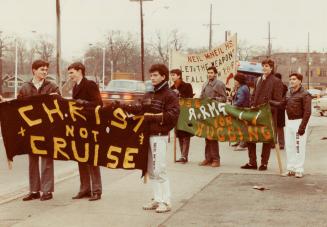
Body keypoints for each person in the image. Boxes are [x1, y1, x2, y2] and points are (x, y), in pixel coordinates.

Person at [119, 64, 179, 213]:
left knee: (160, 170)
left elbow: (173, 116)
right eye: (151, 75)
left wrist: (151, 117)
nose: (152, 78)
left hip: (159, 136)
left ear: (163, 76)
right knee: (151, 170)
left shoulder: (170, 95)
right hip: (147, 136)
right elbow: (139, 108)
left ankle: (166, 201)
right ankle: (157, 199)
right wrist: (121, 106)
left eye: (155, 75)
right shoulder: (149, 93)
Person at [18, 59, 60, 201]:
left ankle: (47, 191)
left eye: (46, 69)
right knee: (33, 159)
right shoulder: (25, 88)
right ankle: (34, 190)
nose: (44, 72)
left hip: (47, 128)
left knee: (47, 159)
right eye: (42, 69)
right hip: (31, 129)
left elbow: (59, 105)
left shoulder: (52, 86)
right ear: (34, 70)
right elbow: (17, 107)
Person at [68, 62, 103, 201]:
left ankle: (97, 190)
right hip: (79, 127)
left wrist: (84, 103)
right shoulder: (75, 86)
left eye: (72, 72)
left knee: (92, 159)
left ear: (80, 71)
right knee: (81, 157)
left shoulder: (90, 84)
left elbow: (99, 103)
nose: (70, 75)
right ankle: (85, 188)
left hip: (91, 127)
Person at [241, 59, 283, 171]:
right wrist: (251, 105)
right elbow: (253, 95)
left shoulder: (276, 81)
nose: (264, 68)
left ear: (271, 68)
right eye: (263, 66)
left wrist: (268, 107)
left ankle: (264, 163)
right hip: (255, 114)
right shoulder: (257, 80)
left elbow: (278, 101)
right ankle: (252, 162)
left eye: (266, 66)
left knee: (266, 139)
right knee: (250, 137)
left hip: (268, 114)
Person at [271, 73, 311, 178]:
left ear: (300, 81)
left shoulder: (305, 94)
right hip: (289, 122)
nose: (291, 81)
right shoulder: (288, 92)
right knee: (289, 147)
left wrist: (302, 126)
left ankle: (299, 169)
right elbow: (281, 104)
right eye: (290, 79)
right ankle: (291, 168)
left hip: (299, 122)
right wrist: (270, 102)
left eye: (294, 79)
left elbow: (307, 112)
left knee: (298, 147)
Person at [199, 66, 227, 167]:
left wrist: (213, 99)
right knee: (206, 136)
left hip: (215, 113)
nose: (209, 74)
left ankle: (216, 159)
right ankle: (208, 158)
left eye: (211, 73)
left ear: (215, 74)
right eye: (208, 73)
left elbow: (224, 98)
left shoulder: (219, 84)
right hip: (205, 113)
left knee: (213, 136)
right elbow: (201, 97)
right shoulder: (205, 83)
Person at [170, 69, 194, 164]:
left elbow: (190, 99)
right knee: (179, 134)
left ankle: (184, 156)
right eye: (171, 75)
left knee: (185, 134)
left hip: (185, 113)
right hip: (176, 114)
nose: (172, 77)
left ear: (179, 75)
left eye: (173, 75)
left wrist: (179, 94)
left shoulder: (187, 86)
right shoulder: (171, 88)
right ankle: (182, 156)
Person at [232, 73, 250, 151]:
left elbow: (240, 100)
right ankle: (240, 141)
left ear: (239, 81)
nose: (235, 82)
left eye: (235, 80)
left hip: (242, 110)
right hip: (243, 109)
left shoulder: (242, 89)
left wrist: (233, 106)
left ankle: (243, 144)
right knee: (240, 126)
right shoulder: (243, 87)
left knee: (242, 127)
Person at [273, 73, 288, 149]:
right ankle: (281, 144)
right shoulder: (284, 86)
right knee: (280, 127)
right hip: (281, 108)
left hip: (275, 108)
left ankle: (274, 143)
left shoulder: (275, 86)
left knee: (275, 126)